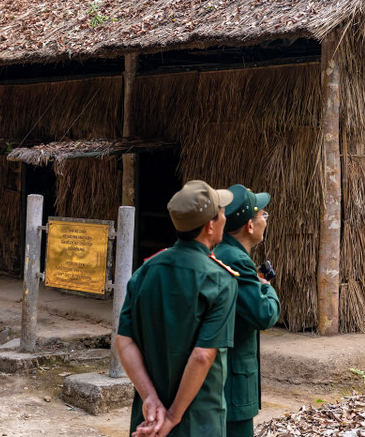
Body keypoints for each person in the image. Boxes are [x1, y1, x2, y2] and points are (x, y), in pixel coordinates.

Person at [116, 179, 238, 437]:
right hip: (198, 419)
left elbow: (124, 341)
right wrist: (172, 416)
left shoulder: (145, 271)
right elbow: (203, 355)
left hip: (148, 419)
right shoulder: (220, 280)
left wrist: (150, 397)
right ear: (210, 225)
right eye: (222, 213)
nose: (225, 218)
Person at [214, 184, 282, 437]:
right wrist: (266, 287)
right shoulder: (236, 259)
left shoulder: (220, 251)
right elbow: (264, 314)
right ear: (249, 226)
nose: (266, 220)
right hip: (232, 383)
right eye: (263, 215)